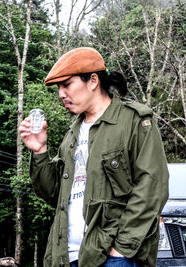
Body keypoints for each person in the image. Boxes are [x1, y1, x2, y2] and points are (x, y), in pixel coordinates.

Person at [19, 47, 169, 267]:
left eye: (66, 84)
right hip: (66, 257)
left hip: (112, 258)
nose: (61, 93)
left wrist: (121, 250)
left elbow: (152, 186)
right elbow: (55, 195)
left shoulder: (134, 121)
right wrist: (39, 150)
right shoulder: (72, 134)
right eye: (59, 87)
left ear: (93, 81)